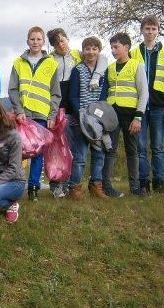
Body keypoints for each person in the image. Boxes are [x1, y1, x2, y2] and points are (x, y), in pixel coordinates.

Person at [47, 27, 109, 196]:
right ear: (52, 46)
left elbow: (101, 58)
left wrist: (96, 77)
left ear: (67, 38)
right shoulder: (49, 59)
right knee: (60, 146)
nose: (61, 44)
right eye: (56, 43)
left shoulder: (77, 54)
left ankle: (72, 184)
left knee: (76, 149)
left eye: (63, 40)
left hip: (78, 108)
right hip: (60, 106)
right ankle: (57, 184)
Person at [8, 26, 60, 201]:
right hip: (23, 116)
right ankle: (15, 186)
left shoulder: (52, 64)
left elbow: (55, 93)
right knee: (18, 152)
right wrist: (18, 110)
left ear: (43, 41)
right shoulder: (18, 63)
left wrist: (52, 115)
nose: (35, 42)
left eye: (39, 39)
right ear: (27, 41)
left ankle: (33, 188)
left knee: (37, 154)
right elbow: (13, 89)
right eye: (32, 39)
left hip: (42, 115)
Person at [129, 15, 164, 193]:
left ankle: (159, 181)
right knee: (140, 147)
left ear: (158, 30)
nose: (150, 32)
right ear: (142, 30)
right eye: (147, 28)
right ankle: (143, 181)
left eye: (153, 28)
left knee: (157, 146)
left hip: (158, 106)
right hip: (139, 106)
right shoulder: (133, 53)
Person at [64, 36, 109, 199]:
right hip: (80, 120)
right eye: (88, 49)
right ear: (83, 51)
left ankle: (96, 185)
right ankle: (74, 187)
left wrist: (99, 116)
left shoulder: (103, 71)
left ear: (99, 51)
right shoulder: (78, 70)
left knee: (99, 154)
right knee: (80, 156)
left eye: (94, 49)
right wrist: (81, 114)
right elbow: (73, 96)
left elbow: (104, 94)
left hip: (98, 120)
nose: (91, 52)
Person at [104, 32, 149, 197]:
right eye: (112, 48)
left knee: (132, 151)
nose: (113, 51)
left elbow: (144, 92)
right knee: (110, 149)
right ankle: (106, 186)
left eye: (116, 47)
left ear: (126, 47)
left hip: (131, 115)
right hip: (112, 115)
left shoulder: (137, 65)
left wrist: (138, 117)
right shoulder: (109, 68)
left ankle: (135, 187)